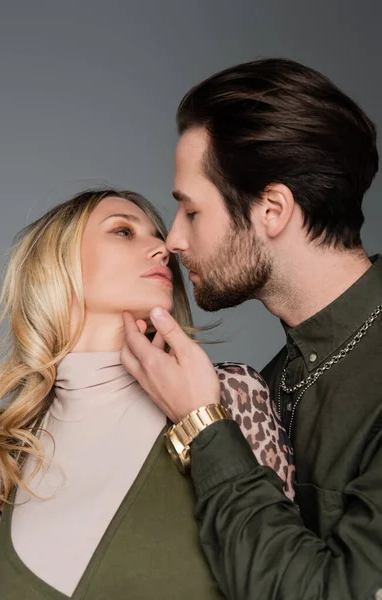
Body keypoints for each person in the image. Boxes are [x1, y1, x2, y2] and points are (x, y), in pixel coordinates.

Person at [121, 58, 382, 599]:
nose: (172, 241)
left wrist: (201, 425)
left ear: (272, 209)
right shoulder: (265, 384)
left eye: (191, 212)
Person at [0, 188, 294, 599]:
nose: (164, 248)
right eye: (124, 231)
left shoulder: (231, 395)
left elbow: (287, 579)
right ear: (57, 266)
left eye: (156, 234)